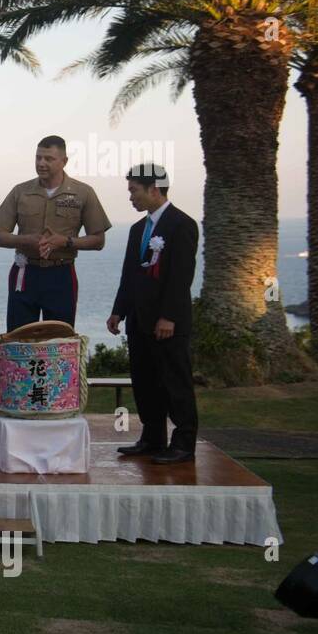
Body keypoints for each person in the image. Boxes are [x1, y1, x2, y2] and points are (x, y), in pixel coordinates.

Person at [108, 164, 199, 465]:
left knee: (175, 382)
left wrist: (169, 317)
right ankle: (153, 437)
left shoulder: (181, 224)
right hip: (139, 321)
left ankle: (184, 442)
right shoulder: (138, 229)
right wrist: (118, 312)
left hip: (167, 324)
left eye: (134, 190)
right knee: (145, 381)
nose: (131, 197)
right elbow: (129, 275)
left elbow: (180, 276)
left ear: (154, 190)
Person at [0, 135, 110, 330]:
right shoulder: (20, 191)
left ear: (64, 161)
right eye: (38, 158)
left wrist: (65, 242)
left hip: (60, 274)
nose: (41, 163)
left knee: (60, 337)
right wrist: (27, 240)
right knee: (19, 338)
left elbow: (98, 240)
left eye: (48, 159)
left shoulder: (83, 193)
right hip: (25, 273)